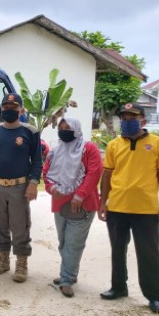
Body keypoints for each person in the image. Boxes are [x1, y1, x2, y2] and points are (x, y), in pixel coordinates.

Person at [98, 103, 159, 314]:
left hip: (146, 209)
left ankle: (155, 296)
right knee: (118, 250)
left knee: (149, 253)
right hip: (117, 207)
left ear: (143, 121)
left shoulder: (158, 144)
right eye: (124, 118)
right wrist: (103, 202)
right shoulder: (113, 145)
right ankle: (119, 287)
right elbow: (107, 176)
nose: (127, 121)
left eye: (132, 117)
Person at [0, 93, 41, 283]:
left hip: (19, 188)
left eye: (14, 107)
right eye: (6, 106)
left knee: (20, 227)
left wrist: (34, 183)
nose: (9, 110)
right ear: (1, 108)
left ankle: (21, 264)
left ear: (21, 110)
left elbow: (37, 161)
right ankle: (3, 260)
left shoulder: (30, 132)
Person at [42, 118, 102, 298]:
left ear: (76, 129)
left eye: (67, 128)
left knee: (74, 243)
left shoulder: (88, 148)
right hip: (60, 203)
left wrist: (79, 195)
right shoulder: (55, 151)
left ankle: (66, 279)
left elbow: (94, 172)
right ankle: (70, 272)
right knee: (64, 242)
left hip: (82, 204)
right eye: (61, 128)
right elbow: (46, 173)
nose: (63, 130)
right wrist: (51, 188)